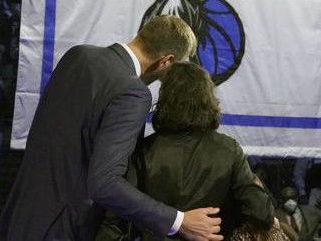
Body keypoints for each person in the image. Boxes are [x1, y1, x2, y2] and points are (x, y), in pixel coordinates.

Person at [0, 15, 222, 241]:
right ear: (166, 61)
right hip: (61, 230)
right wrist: (178, 221)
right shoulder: (133, 93)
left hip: (18, 217)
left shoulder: (77, 55)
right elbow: (104, 184)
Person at [96, 63, 273, 240]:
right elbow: (260, 214)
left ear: (165, 99)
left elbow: (116, 218)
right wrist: (255, 185)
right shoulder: (229, 150)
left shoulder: (143, 150)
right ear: (208, 99)